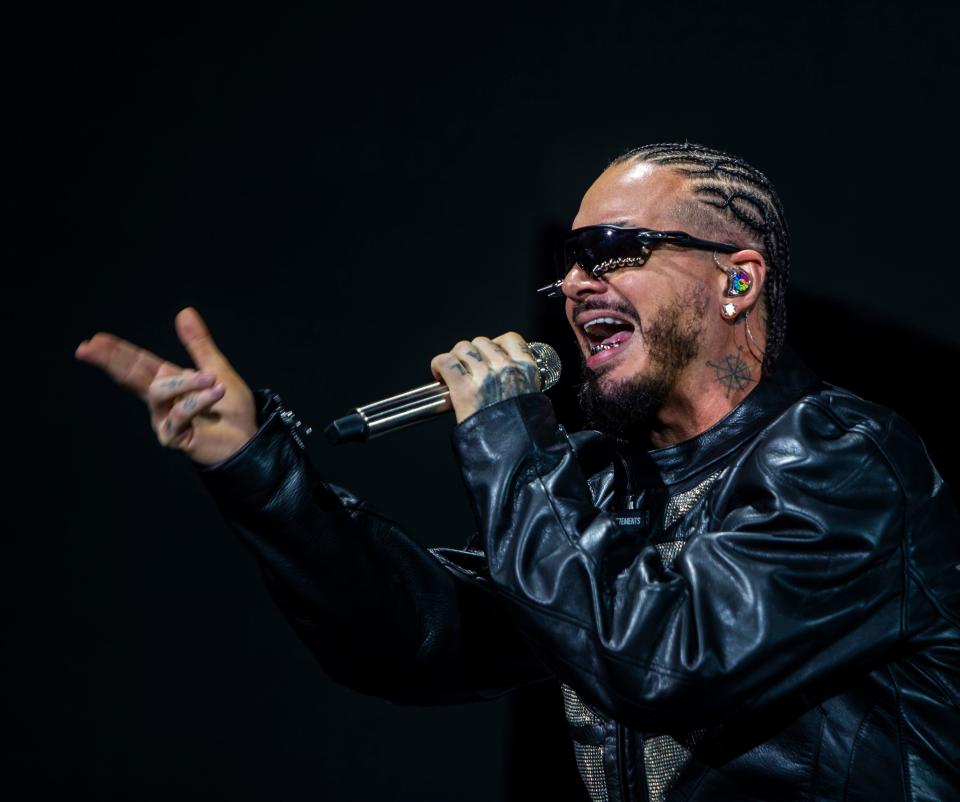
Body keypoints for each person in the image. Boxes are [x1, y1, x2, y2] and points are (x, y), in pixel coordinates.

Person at [75, 143, 960, 802]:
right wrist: (256, 466)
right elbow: (417, 637)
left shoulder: (843, 461)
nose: (573, 285)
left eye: (612, 250)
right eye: (567, 263)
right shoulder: (601, 486)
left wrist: (507, 435)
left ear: (737, 282)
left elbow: (660, 661)